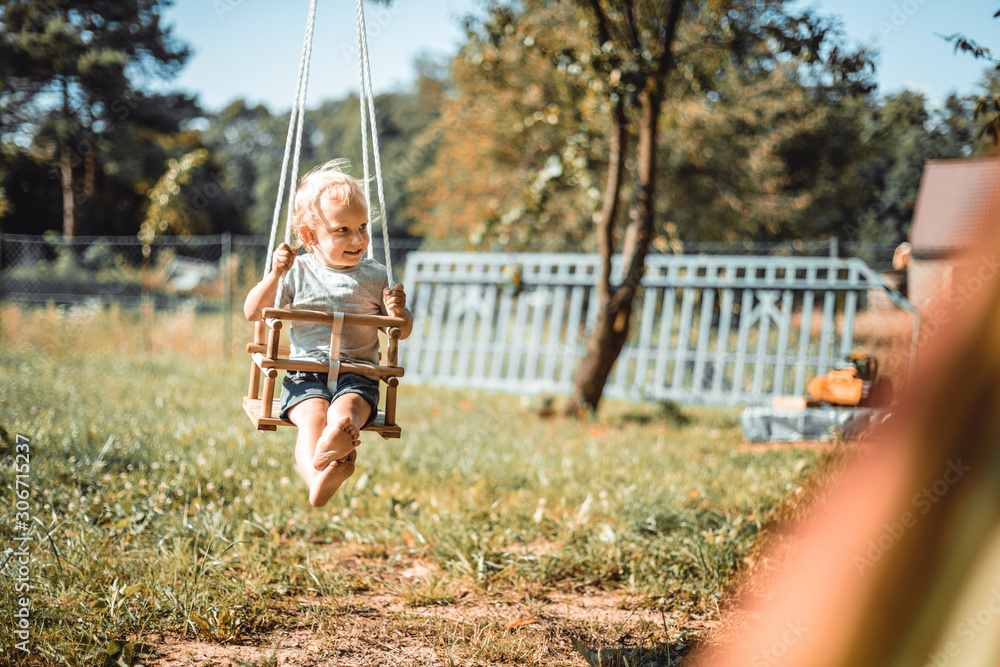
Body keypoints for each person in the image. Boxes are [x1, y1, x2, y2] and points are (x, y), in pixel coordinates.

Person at [244, 160, 413, 508]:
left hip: (359, 374)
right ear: (308, 237)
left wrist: (399, 313)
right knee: (312, 418)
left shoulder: (377, 275)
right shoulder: (297, 271)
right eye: (343, 230)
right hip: (306, 373)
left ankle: (339, 438)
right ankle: (319, 478)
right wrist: (275, 274)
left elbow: (402, 331)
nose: (358, 239)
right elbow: (253, 311)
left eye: (363, 227)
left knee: (346, 411)